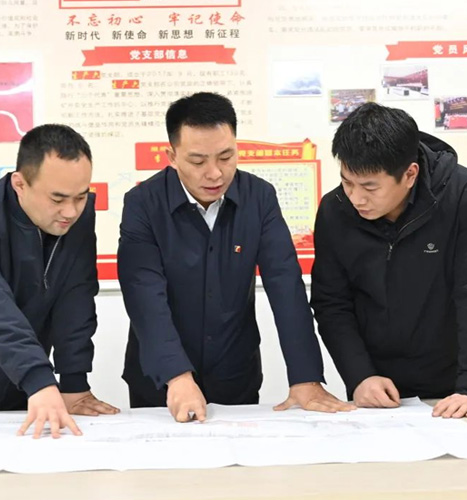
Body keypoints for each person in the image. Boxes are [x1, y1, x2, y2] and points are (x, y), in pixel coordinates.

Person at [118, 91, 354, 422]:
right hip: (160, 381)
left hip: (234, 374)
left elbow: (285, 284)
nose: (215, 173)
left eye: (226, 157)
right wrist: (177, 375)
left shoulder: (259, 198)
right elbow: (144, 293)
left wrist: (305, 377)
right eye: (198, 161)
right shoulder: (143, 203)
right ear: (172, 156)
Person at [310, 102, 467, 418]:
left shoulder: (460, 197)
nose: (356, 198)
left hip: (452, 387)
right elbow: (332, 302)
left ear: (410, 174)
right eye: (347, 181)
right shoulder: (335, 210)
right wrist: (359, 375)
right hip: (377, 390)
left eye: (370, 187)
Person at [0, 124, 119, 438]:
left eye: (81, 196)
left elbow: (76, 298)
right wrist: (39, 378)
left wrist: (74, 385)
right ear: (20, 184)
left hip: (21, 392)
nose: (71, 211)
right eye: (57, 198)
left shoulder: (76, 219)